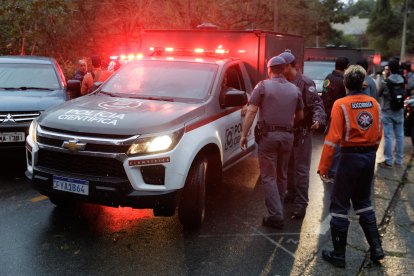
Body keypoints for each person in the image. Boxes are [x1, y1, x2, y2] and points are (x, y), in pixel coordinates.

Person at [318, 65, 384, 268]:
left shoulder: (341, 104)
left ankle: (339, 255)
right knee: (364, 203)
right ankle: (377, 249)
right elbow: (379, 133)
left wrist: (324, 167)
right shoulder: (374, 103)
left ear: (345, 83)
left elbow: (332, 140)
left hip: (348, 160)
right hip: (368, 158)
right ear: (363, 83)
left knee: (339, 206)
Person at [240, 56, 304, 229]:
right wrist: (289, 126)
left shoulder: (262, 86)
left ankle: (276, 216)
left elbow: (252, 110)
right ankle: (278, 208)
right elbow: (300, 116)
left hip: (268, 137)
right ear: (283, 69)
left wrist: (244, 135)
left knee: (268, 176)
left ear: (269, 70)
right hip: (287, 137)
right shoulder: (295, 89)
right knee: (281, 175)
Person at [279, 50, 326, 219]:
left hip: (302, 132)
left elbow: (317, 105)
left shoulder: (306, 82)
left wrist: (318, 120)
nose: (280, 69)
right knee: (288, 166)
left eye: (282, 66)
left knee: (301, 170)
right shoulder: (281, 81)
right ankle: (291, 193)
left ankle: (301, 204)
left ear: (291, 66)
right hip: (286, 132)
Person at [321, 56, 349, 183]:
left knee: (329, 143)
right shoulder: (342, 81)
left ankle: (326, 169)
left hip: (326, 111)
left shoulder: (328, 78)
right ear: (346, 67)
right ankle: (331, 172)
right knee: (336, 144)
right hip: (336, 114)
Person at [378, 58, 405, 168]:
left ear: (389, 69)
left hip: (388, 112)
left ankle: (388, 161)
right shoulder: (403, 80)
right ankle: (399, 160)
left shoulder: (386, 82)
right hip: (399, 111)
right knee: (400, 136)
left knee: (388, 136)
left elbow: (379, 93)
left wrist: (384, 78)